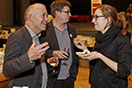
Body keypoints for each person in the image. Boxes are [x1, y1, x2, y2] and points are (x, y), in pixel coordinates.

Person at [74, 4, 132, 88]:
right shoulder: (100, 37)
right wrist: (84, 48)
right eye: (93, 17)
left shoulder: (122, 40)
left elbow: (124, 71)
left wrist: (100, 56)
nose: (93, 21)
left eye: (97, 17)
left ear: (108, 20)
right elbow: (97, 60)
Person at [3, 3, 58, 88]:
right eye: (43, 15)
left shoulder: (38, 37)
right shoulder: (16, 37)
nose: (47, 20)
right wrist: (28, 57)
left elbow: (36, 68)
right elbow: (7, 70)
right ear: (31, 18)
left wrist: (46, 63)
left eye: (47, 16)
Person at [40, 0, 79, 88]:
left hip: (69, 78)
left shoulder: (71, 29)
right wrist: (53, 53)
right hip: (52, 78)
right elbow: (37, 52)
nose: (70, 15)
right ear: (57, 13)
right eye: (67, 12)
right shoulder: (44, 30)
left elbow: (74, 52)